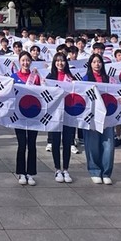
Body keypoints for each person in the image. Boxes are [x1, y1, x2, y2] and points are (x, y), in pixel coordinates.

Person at [82, 53, 114, 185]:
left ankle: (106, 173)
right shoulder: (85, 79)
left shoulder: (109, 79)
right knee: (92, 144)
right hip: (92, 116)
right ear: (90, 64)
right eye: (94, 62)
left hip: (108, 116)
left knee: (108, 145)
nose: (97, 64)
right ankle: (94, 171)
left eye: (99, 62)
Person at [12, 50, 41, 185]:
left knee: (32, 144)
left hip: (34, 114)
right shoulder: (14, 77)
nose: (25, 63)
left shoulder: (36, 77)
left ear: (31, 62)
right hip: (19, 116)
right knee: (22, 144)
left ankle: (30, 173)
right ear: (19, 62)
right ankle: (21, 172)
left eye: (28, 60)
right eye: (23, 60)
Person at [46, 52, 75, 183]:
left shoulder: (71, 77)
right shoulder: (50, 77)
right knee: (56, 141)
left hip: (68, 113)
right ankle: (57, 169)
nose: (60, 63)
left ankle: (66, 169)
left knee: (67, 141)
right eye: (57, 60)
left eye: (62, 60)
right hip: (55, 114)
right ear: (54, 62)